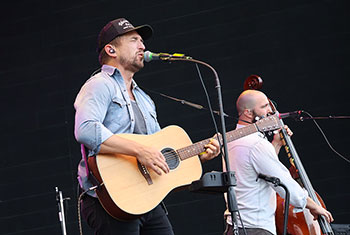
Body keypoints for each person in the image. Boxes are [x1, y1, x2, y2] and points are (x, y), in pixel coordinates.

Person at [74, 18, 220, 235]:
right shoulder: (99, 84)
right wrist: (139, 151)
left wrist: (197, 156)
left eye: (142, 41)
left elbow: (157, 152)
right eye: (134, 40)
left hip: (147, 198)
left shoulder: (144, 99)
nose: (142, 46)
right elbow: (85, 129)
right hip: (111, 199)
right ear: (111, 49)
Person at [223, 90, 333, 235]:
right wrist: (314, 205)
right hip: (256, 228)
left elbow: (260, 172)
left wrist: (276, 144)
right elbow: (283, 182)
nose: (270, 111)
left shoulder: (230, 141)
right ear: (248, 113)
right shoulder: (256, 144)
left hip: (235, 227)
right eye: (264, 107)